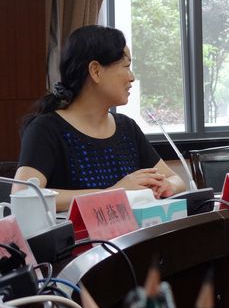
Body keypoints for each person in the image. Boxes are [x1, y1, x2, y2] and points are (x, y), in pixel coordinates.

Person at [13, 25, 186, 211]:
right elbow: (24, 196)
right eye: (126, 66)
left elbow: (176, 180)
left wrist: (166, 186)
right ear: (96, 71)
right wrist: (113, 193)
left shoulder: (126, 127)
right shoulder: (46, 129)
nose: (132, 77)